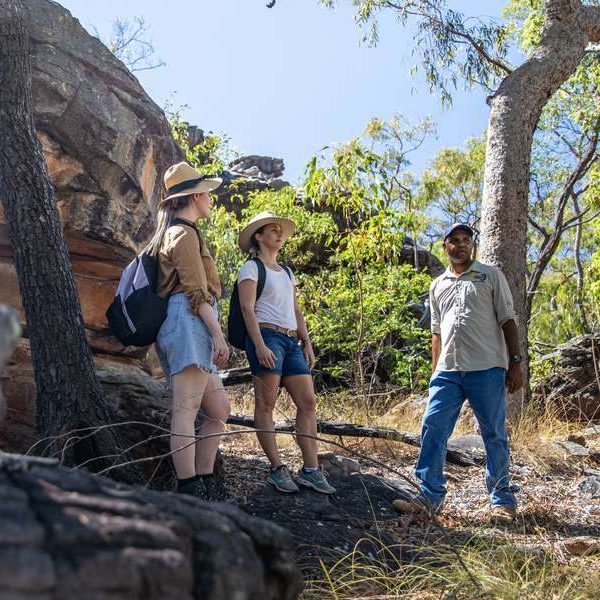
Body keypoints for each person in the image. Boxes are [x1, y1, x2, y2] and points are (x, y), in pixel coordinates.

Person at [393, 223, 523, 523]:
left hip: (487, 368)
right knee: (433, 428)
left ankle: (502, 500)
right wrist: (435, 371)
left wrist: (515, 362)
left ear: (472, 245)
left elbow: (508, 319)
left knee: (494, 434)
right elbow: (436, 332)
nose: (462, 245)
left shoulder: (490, 276)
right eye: (455, 240)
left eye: (467, 240)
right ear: (446, 246)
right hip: (447, 372)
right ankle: (429, 495)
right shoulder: (437, 285)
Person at [146, 161, 230, 500]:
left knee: (219, 411)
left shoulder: (186, 232)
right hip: (188, 321)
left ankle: (207, 482)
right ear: (195, 196)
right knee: (185, 411)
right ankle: (190, 489)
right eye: (207, 194)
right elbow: (197, 293)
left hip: (192, 322)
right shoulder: (181, 234)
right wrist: (218, 335)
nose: (211, 199)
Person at [237, 211, 336, 495]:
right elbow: (247, 309)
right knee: (266, 404)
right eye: (273, 230)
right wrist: (258, 345)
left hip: (291, 342)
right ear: (259, 236)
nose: (279, 235)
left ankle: (310, 470)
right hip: (266, 336)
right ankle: (277, 468)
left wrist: (306, 341)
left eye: (281, 230)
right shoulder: (252, 268)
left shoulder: (288, 273)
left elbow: (296, 310)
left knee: (308, 402)